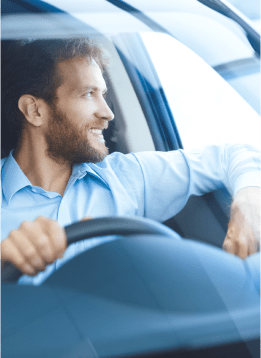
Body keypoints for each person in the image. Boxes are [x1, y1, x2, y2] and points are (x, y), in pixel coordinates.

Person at [0, 37, 260, 286]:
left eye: (103, 94)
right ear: (34, 110)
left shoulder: (127, 176)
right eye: (88, 94)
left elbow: (234, 154)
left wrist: (247, 205)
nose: (107, 113)